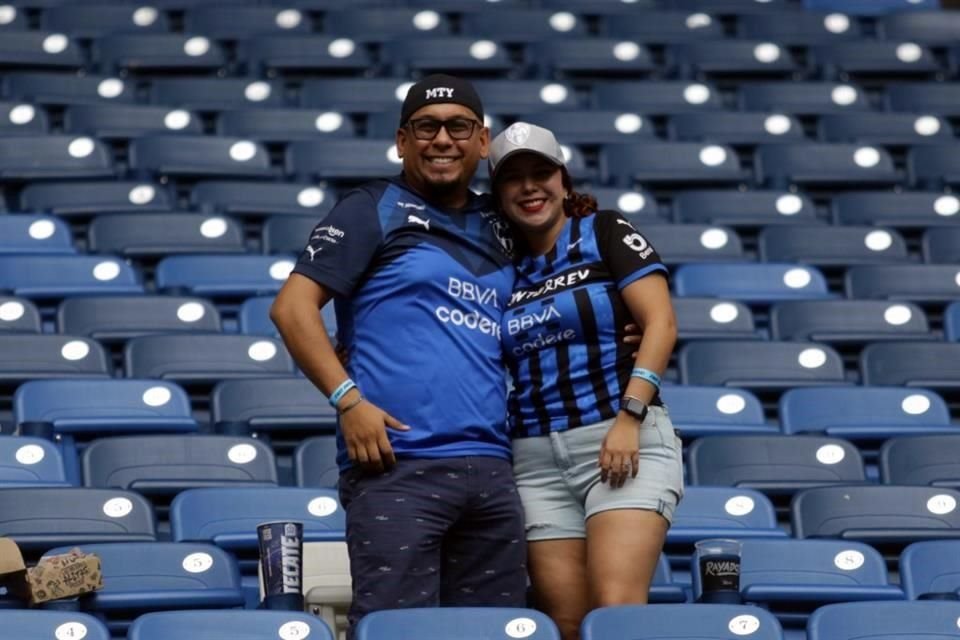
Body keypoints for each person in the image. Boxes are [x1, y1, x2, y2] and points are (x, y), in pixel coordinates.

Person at [270, 75, 525, 635]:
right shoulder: (372, 208)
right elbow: (292, 309)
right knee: (396, 631)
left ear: (483, 142)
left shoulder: (503, 226)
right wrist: (348, 400)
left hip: (493, 469)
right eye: (426, 128)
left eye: (458, 127)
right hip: (398, 467)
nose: (442, 140)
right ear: (401, 142)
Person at [490, 122, 683, 640]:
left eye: (541, 173)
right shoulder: (501, 267)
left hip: (621, 439)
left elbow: (661, 324)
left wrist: (629, 416)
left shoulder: (605, 230)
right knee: (569, 625)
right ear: (498, 193)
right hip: (533, 459)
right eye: (514, 179)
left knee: (615, 612)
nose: (530, 187)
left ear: (564, 179)